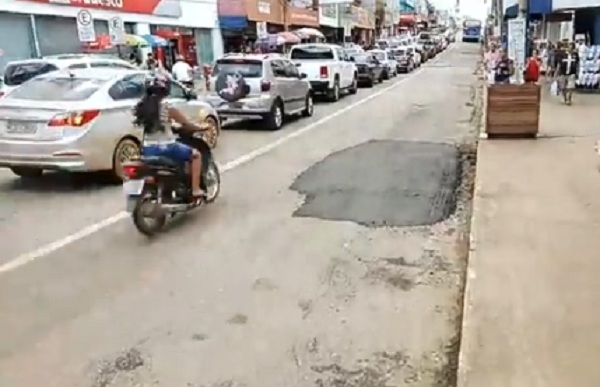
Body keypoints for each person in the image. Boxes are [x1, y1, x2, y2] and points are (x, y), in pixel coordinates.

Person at [133, 73, 206, 201]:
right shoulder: (167, 108)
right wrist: (201, 128)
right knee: (196, 155)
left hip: (147, 149)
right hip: (167, 148)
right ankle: (195, 189)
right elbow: (187, 124)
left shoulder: (142, 108)